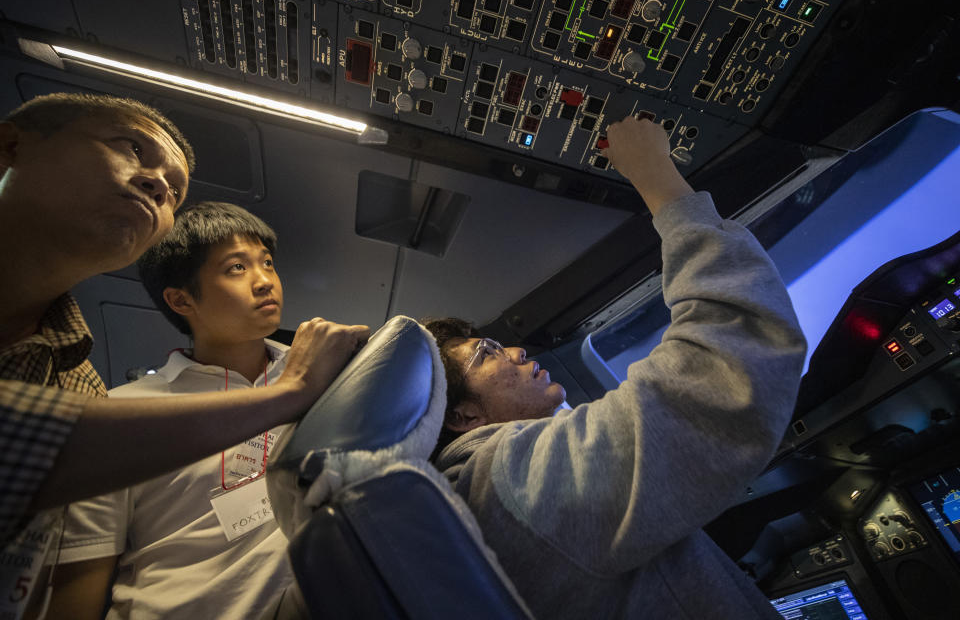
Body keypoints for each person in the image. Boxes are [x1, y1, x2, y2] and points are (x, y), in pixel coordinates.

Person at [423, 115, 807, 619]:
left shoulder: (484, 498)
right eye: (487, 353)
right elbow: (727, 360)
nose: (516, 352)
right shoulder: (510, 482)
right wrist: (656, 177)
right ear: (463, 417)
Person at [0, 93, 367, 615]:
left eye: (174, 190)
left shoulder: (77, 381)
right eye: (130, 146)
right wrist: (292, 393)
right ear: (11, 146)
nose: (157, 185)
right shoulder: (122, 408)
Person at [47, 202, 299, 619]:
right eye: (237, 268)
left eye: (267, 263)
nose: (264, 281)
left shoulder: (323, 378)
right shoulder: (124, 413)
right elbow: (83, 571)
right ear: (181, 299)